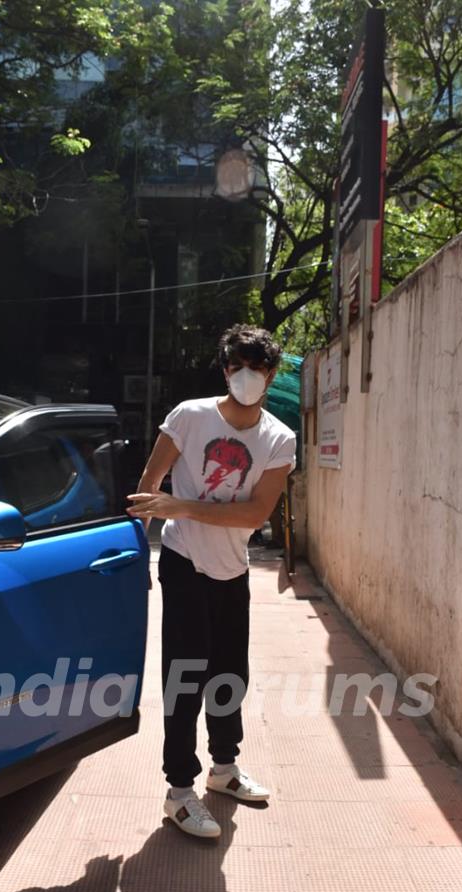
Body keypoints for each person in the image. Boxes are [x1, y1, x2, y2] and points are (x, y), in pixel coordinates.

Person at [127, 324, 297, 839]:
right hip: (182, 562)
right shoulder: (189, 416)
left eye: (256, 368)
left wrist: (181, 505)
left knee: (230, 676)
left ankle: (224, 769)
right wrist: (135, 557)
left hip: (233, 570)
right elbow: (148, 491)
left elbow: (254, 514)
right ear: (226, 369)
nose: (245, 376)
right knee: (184, 679)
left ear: (270, 373)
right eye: (235, 366)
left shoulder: (278, 438)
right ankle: (179, 792)